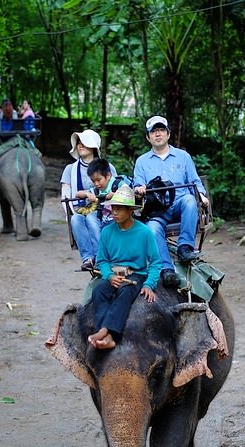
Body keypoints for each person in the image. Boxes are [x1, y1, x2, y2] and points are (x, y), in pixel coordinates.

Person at [133, 115, 209, 288]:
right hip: (157, 208)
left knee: (190, 200)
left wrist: (202, 196)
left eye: (161, 130)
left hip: (180, 203)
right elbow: (137, 184)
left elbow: (195, 182)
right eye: (153, 131)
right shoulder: (142, 161)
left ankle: (185, 247)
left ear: (168, 134)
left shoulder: (183, 156)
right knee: (152, 228)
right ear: (148, 137)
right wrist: (139, 188)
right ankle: (166, 269)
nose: (157, 134)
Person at [87, 184, 162, 350]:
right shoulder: (107, 231)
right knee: (98, 291)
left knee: (125, 291)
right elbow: (102, 260)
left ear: (130, 211)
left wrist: (149, 284)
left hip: (136, 275)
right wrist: (109, 276)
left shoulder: (145, 232)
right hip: (114, 274)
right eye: (113, 208)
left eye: (119, 209)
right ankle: (105, 334)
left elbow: (156, 262)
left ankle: (107, 332)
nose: (114, 213)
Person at [60, 130, 116, 270]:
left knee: (91, 218)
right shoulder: (70, 169)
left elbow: (115, 188)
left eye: (84, 142)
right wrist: (69, 213)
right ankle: (88, 258)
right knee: (75, 219)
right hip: (80, 208)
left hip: (104, 210)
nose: (80, 145)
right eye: (78, 142)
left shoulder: (107, 167)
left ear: (93, 146)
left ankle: (100, 256)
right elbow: (66, 194)